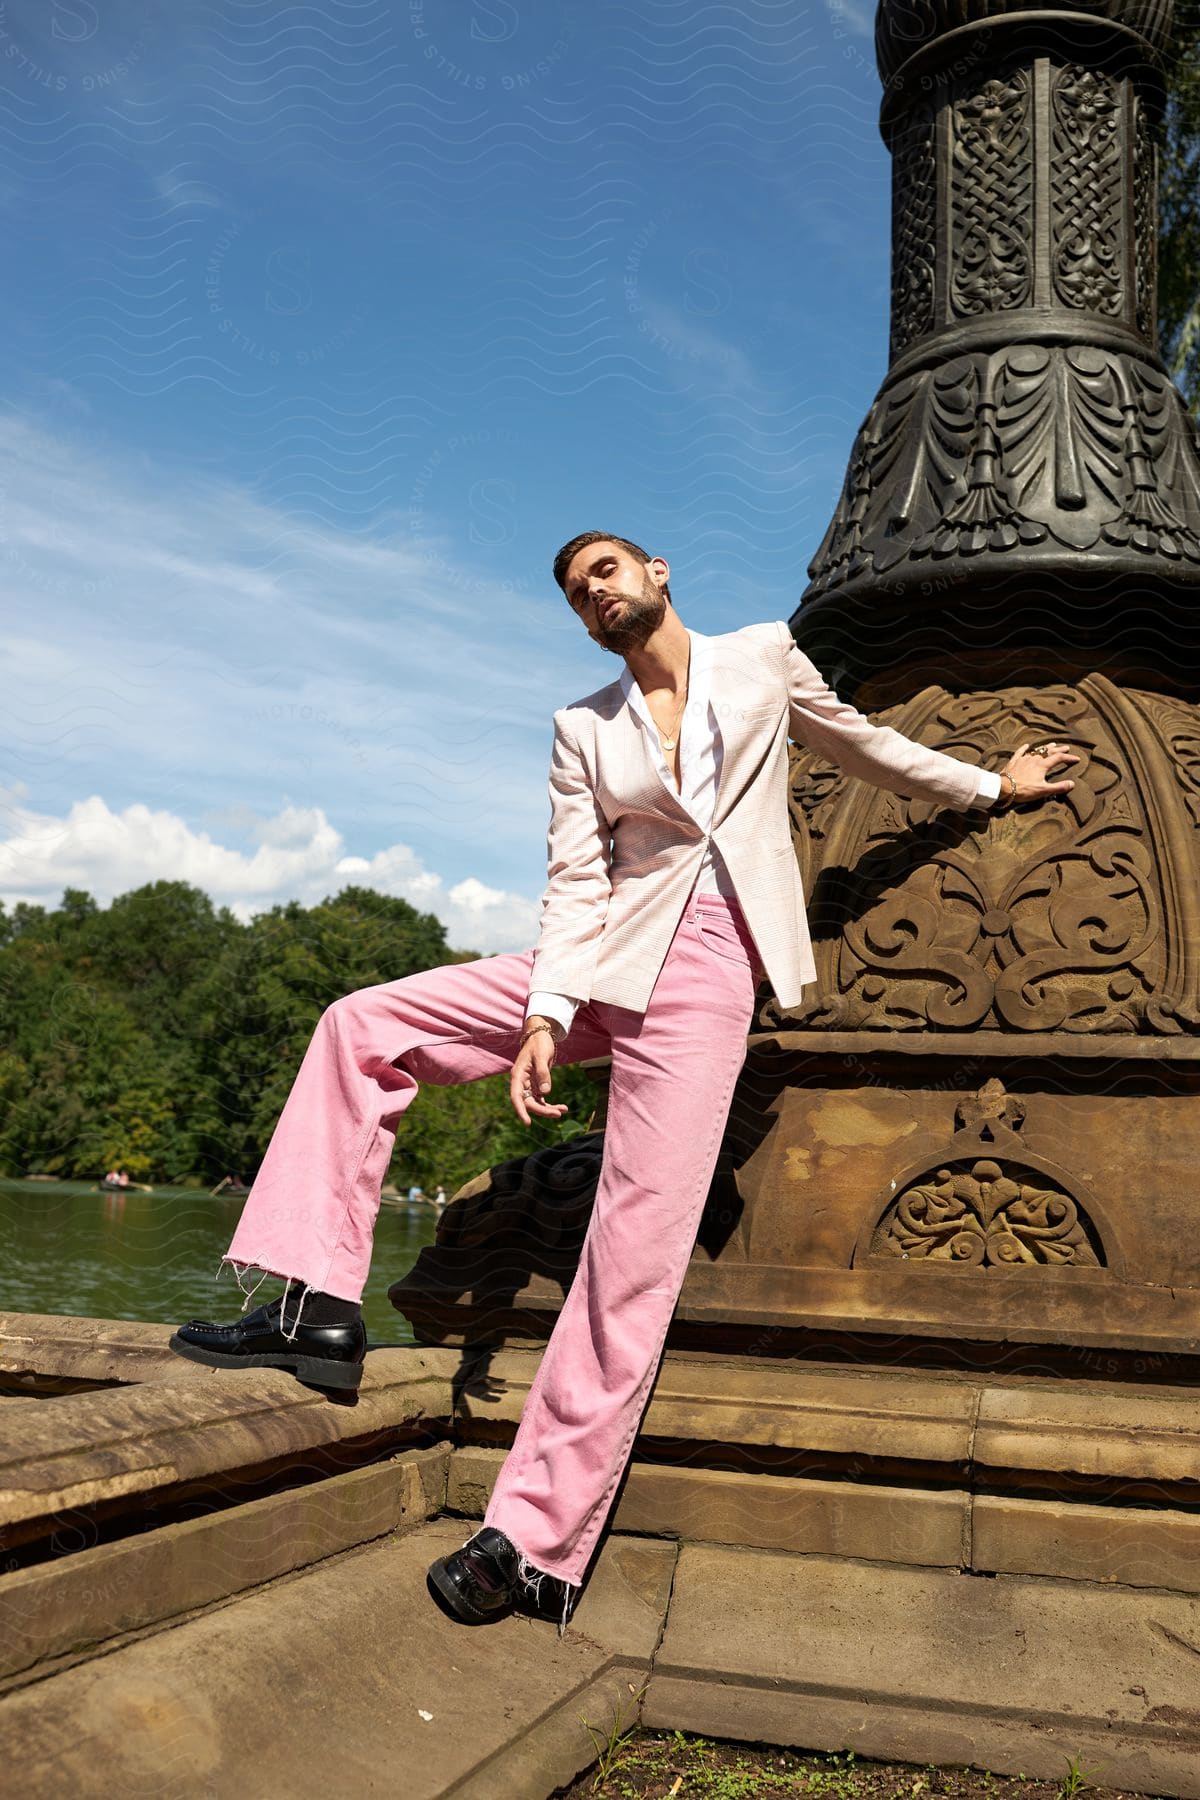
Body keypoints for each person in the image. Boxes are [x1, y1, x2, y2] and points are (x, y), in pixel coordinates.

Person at [169, 532, 1076, 1627]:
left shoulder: (762, 658)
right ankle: (312, 1304)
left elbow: (870, 748)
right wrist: (546, 1015)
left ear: (658, 573)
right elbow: (573, 878)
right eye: (572, 590)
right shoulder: (579, 728)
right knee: (362, 1022)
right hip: (597, 954)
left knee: (630, 1256)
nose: (591, 592)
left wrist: (994, 782)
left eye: (605, 569)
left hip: (705, 975)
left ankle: (526, 1538)